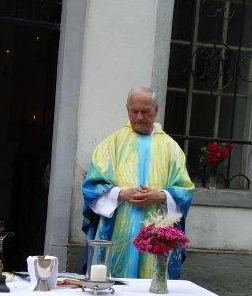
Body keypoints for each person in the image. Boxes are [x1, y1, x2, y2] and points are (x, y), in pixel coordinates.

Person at [81, 86, 194, 278]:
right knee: (115, 283)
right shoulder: (111, 144)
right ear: (127, 110)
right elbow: (91, 187)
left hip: (156, 234)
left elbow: (185, 191)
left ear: (156, 110)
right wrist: (121, 194)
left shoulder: (171, 148)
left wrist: (161, 196)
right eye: (134, 111)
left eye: (145, 111)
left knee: (152, 286)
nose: (140, 117)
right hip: (118, 233)